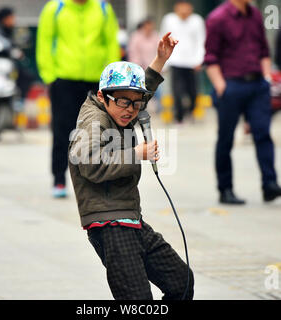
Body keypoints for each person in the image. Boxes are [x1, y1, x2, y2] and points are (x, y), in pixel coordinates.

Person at [68, 33, 194, 300]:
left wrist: (160, 60)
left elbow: (136, 93)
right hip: (109, 223)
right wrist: (137, 152)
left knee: (181, 282)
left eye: (136, 103)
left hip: (131, 218)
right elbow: (89, 162)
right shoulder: (93, 120)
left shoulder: (120, 107)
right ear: (103, 97)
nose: (131, 110)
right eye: (124, 102)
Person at [204, 0, 281, 205]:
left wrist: (267, 78)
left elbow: (263, 51)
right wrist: (221, 86)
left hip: (257, 86)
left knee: (263, 134)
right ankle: (225, 189)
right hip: (231, 85)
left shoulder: (255, 15)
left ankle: (270, 184)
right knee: (225, 139)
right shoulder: (217, 18)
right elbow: (210, 57)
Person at [36, 0, 120, 198]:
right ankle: (58, 178)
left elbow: (111, 43)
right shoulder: (55, 8)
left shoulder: (102, 8)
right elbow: (45, 42)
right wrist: (50, 76)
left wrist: (111, 78)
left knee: (101, 129)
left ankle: (103, 178)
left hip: (96, 81)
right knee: (62, 129)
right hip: (64, 80)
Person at [160, 0, 205, 124]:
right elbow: (163, 39)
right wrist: (164, 61)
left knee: (193, 91)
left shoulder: (197, 21)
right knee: (177, 91)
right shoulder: (169, 19)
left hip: (192, 62)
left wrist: (199, 60)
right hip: (175, 61)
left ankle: (190, 112)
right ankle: (179, 116)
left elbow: (201, 41)